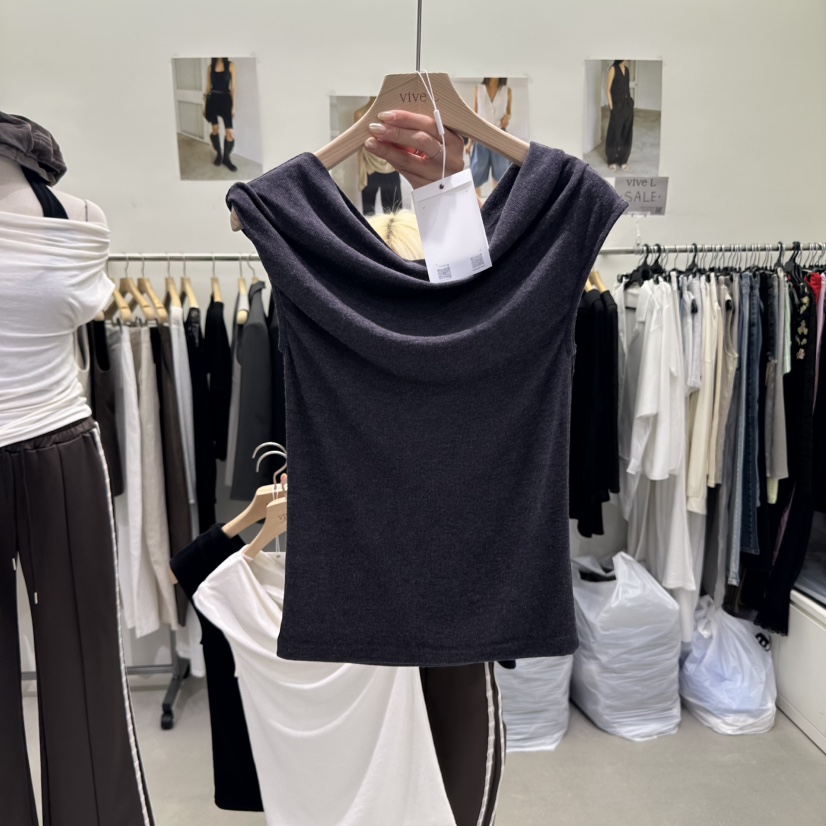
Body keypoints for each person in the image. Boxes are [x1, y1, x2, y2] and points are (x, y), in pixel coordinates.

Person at [468, 77, 512, 196]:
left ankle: (496, 205)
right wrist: (470, 143)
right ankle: (477, 205)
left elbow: (509, 113)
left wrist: (508, 116)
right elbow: (475, 116)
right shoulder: (479, 89)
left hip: (500, 136)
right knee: (475, 175)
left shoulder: (507, 90)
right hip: (481, 137)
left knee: (501, 175)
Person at [204, 57, 238, 172]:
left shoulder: (231, 65)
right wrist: (205, 106)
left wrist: (233, 107)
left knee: (230, 133)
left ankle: (226, 158)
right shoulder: (210, 67)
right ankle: (219, 154)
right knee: (215, 129)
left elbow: (233, 88)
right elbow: (208, 88)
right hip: (212, 100)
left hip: (226, 100)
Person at [605, 60, 634, 172]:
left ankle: (623, 160)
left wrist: (630, 105)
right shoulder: (613, 69)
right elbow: (608, 90)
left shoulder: (626, 70)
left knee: (627, 134)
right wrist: (612, 107)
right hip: (617, 107)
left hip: (628, 106)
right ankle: (611, 160)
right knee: (614, 133)